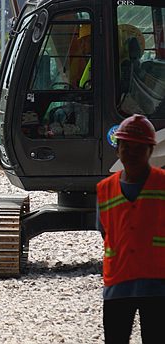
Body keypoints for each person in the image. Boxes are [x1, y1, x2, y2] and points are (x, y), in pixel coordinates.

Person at [96, 114, 165, 343]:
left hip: (158, 284)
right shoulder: (105, 189)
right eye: (126, 147)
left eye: (139, 148)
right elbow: (105, 231)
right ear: (118, 150)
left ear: (150, 151)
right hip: (118, 282)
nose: (132, 153)